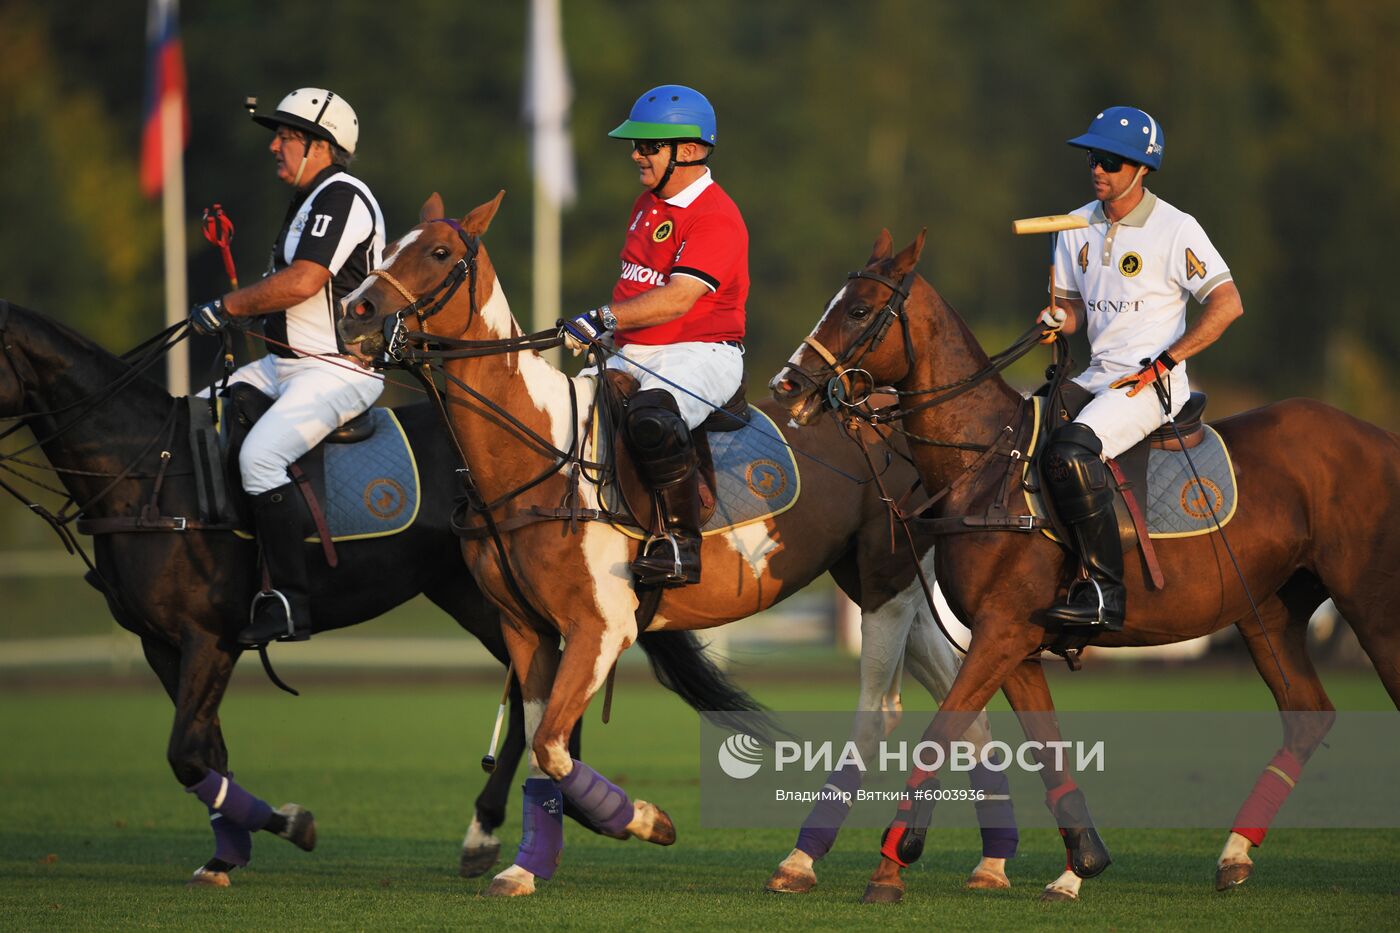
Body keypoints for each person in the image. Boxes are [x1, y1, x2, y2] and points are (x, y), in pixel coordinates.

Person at [188, 88, 386, 644]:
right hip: (284, 368)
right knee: (194, 418)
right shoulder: (310, 198)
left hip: (338, 372)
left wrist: (225, 307)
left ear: (320, 146)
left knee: (259, 459)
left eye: (286, 136)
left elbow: (303, 281)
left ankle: (287, 602)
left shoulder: (341, 194)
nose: (274, 146)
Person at [1034, 105, 1244, 631]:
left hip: (1153, 382)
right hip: (1096, 376)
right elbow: (1075, 312)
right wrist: (1059, 318)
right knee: (1019, 435)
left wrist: (1169, 360)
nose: (1097, 168)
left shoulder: (1177, 229)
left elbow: (1227, 304)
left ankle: (1106, 594)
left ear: (1142, 168)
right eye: (1092, 158)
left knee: (1073, 449)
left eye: (1111, 160)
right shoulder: (1073, 226)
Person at [560, 85, 749, 588]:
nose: (636, 154)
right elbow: (638, 291)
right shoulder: (647, 204)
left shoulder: (716, 214)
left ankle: (681, 545)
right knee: (565, 414)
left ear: (687, 150)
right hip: (636, 351)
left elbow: (678, 298)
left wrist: (603, 318)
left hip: (702, 350)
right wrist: (609, 332)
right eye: (638, 145)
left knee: (653, 419)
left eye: (648, 145)